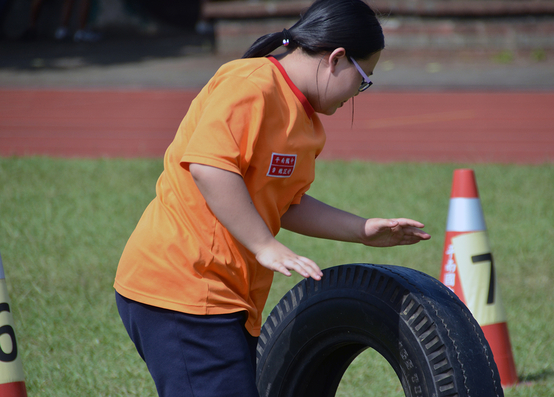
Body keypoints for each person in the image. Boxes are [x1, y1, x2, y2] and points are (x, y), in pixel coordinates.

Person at [114, 0, 431, 396]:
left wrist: (362, 230)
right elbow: (210, 168)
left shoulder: (307, 123)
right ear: (336, 58)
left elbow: (287, 202)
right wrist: (264, 245)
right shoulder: (251, 86)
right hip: (181, 290)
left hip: (230, 299)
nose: (359, 93)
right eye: (364, 78)